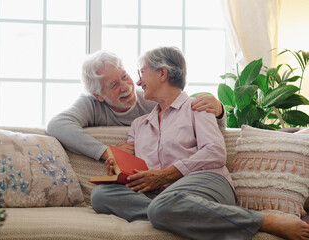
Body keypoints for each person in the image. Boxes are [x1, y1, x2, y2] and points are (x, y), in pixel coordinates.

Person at [91, 46, 309, 240]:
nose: (138, 81)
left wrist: (168, 174)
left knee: (162, 206)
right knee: (100, 196)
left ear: (162, 73)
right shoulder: (140, 124)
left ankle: (261, 220)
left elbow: (214, 153)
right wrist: (118, 167)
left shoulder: (198, 106)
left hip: (207, 181)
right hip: (161, 193)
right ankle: (180, 213)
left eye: (141, 73)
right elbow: (137, 166)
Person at [46, 50, 225, 161]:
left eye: (124, 76)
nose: (126, 86)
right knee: (101, 196)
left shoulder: (151, 98)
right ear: (98, 95)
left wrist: (219, 111)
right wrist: (107, 152)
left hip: (172, 177)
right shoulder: (90, 104)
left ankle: (162, 209)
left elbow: (191, 111)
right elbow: (57, 125)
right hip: (146, 179)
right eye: (114, 85)